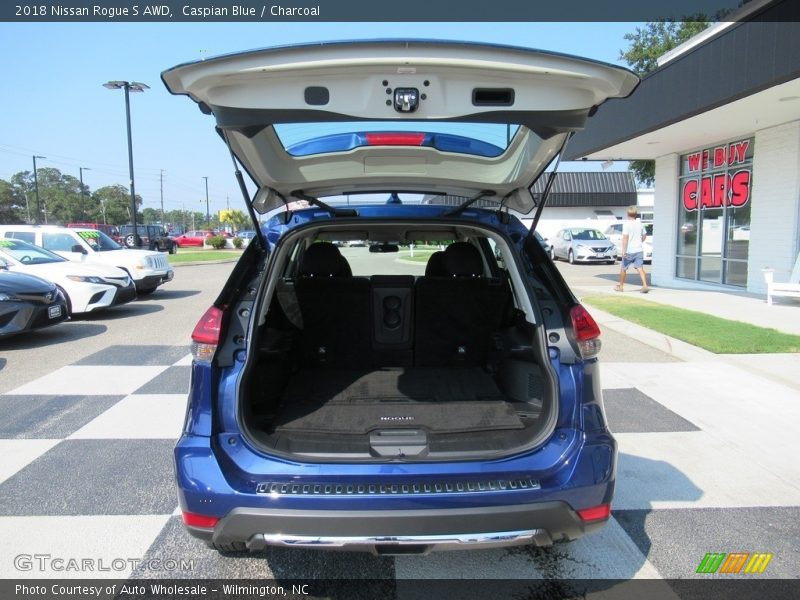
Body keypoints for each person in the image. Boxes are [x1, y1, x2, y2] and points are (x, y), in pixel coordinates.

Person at [615, 206, 650, 293]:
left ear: (627, 214)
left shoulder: (626, 224)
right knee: (640, 268)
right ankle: (645, 285)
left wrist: (624, 251)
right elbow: (645, 236)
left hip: (629, 251)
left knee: (623, 268)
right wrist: (640, 241)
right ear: (635, 214)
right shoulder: (640, 223)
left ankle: (621, 287)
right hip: (639, 250)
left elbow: (625, 238)